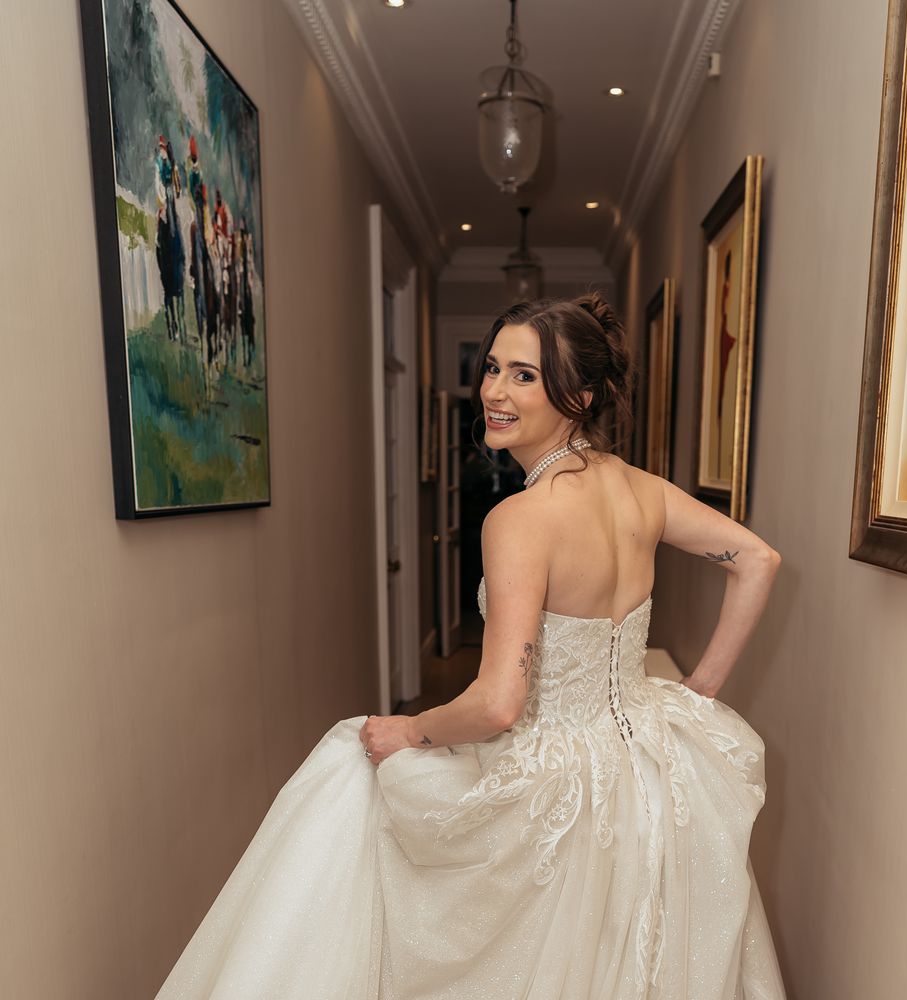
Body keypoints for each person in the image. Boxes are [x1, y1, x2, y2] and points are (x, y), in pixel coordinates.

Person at [154, 293, 787, 1000]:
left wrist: (410, 731)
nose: (493, 391)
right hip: (650, 771)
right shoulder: (643, 491)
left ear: (579, 396)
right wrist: (696, 696)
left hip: (557, 790)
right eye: (492, 367)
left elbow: (497, 705)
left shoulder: (520, 520)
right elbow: (757, 560)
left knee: (350, 768)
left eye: (524, 375)